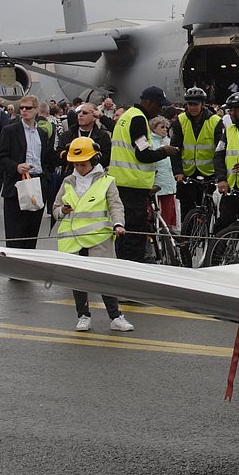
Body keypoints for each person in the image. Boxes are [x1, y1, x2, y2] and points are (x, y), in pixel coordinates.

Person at [54, 137, 132, 332]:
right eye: (76, 164)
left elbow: (115, 205)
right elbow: (55, 210)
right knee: (77, 279)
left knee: (104, 278)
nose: (79, 168)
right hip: (73, 239)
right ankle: (83, 316)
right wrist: (62, 211)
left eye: (83, 164)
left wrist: (118, 224)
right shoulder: (68, 182)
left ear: (94, 160)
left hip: (98, 238)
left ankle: (115, 317)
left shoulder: (106, 182)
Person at [107, 86, 180, 264]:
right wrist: (165, 151)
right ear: (148, 102)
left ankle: (123, 268)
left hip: (122, 182)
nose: (160, 110)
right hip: (133, 186)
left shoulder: (127, 116)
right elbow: (143, 154)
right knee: (133, 238)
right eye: (158, 106)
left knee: (123, 234)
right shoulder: (138, 119)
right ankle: (131, 273)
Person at [0, 95, 59, 249]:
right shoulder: (10, 130)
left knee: (31, 234)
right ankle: (14, 269)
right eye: (22, 108)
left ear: (36, 110)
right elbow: (1, 157)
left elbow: (47, 158)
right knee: (15, 235)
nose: (24, 110)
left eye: (28, 108)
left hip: (37, 184)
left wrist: (46, 178)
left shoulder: (42, 133)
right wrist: (16, 167)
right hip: (17, 185)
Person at [171, 87, 223, 218]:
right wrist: (178, 172)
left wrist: (220, 175)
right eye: (190, 104)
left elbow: (221, 150)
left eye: (196, 104)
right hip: (187, 174)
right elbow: (175, 149)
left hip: (209, 173)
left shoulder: (215, 121)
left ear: (203, 104)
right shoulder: (181, 120)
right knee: (186, 210)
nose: (192, 107)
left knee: (208, 210)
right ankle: (187, 237)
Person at [149, 115, 179, 230]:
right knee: (155, 210)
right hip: (157, 181)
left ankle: (167, 230)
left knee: (169, 210)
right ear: (154, 128)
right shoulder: (150, 142)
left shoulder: (169, 141)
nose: (165, 129)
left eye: (166, 127)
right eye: (162, 127)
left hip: (170, 181)